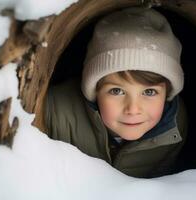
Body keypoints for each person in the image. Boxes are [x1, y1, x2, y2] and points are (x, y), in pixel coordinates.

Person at [44, 7, 188, 178]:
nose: (133, 109)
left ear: (167, 94)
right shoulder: (55, 111)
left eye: (149, 92)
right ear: (95, 90)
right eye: (117, 91)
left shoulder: (174, 126)